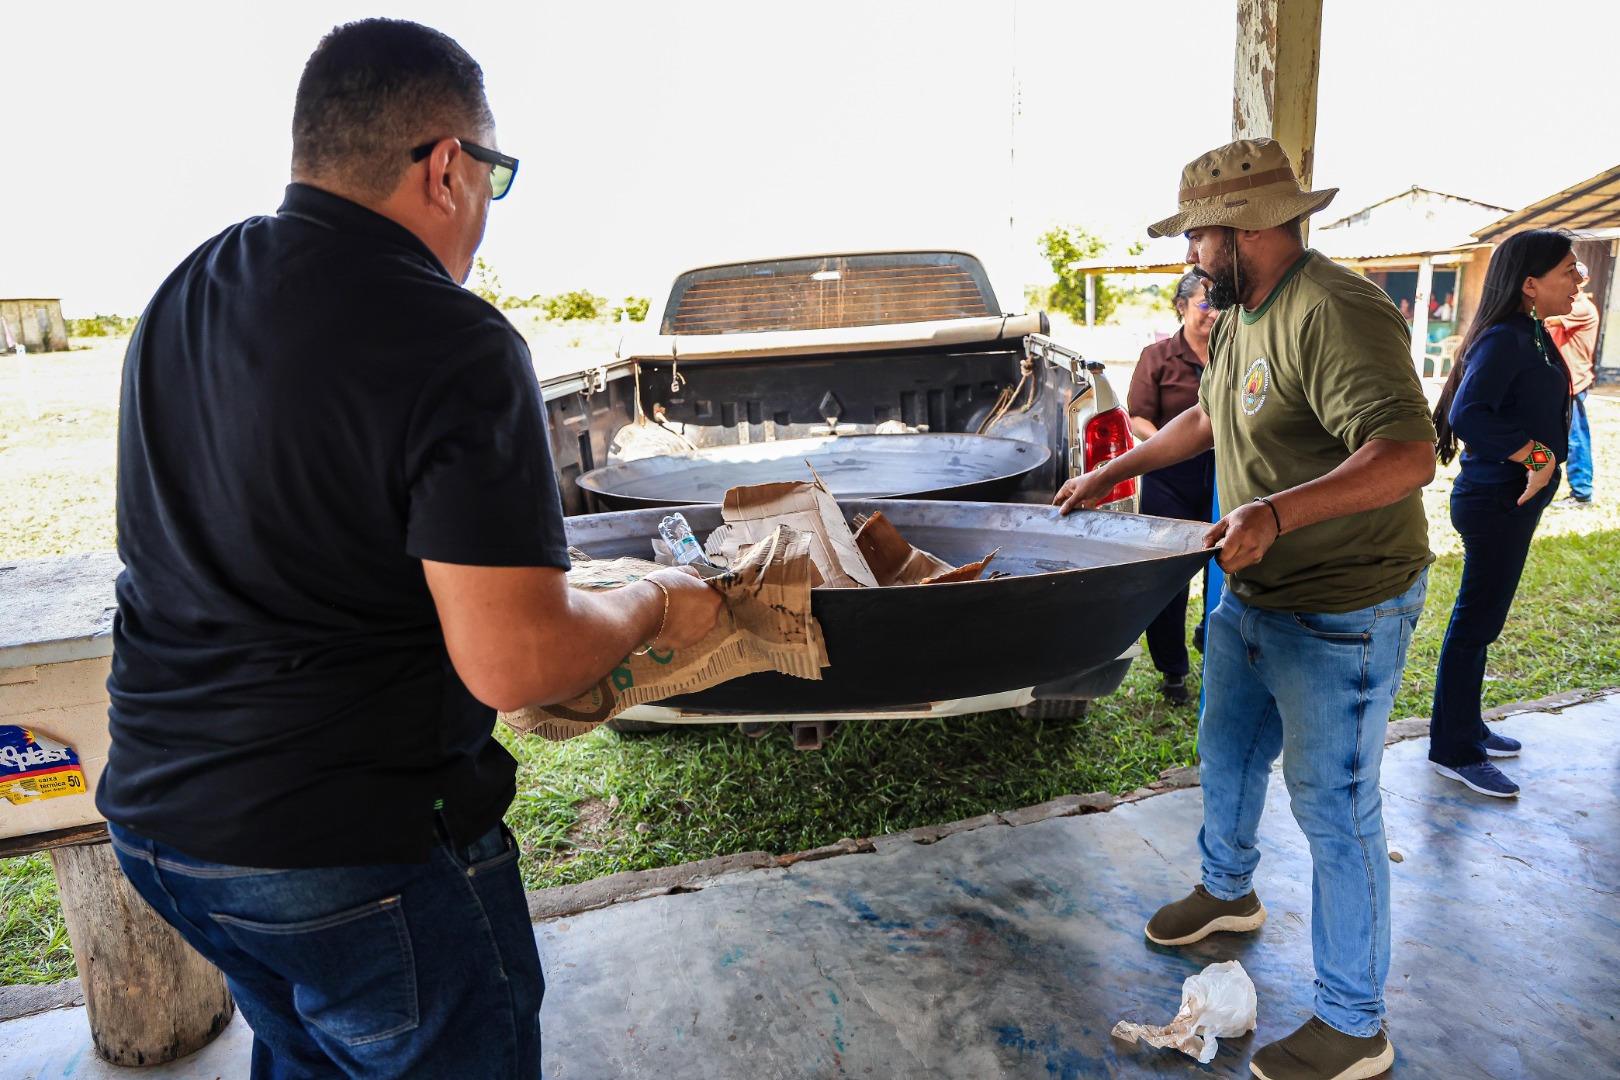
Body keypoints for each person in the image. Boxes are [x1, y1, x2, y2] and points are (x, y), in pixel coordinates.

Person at [96, 20, 721, 1079]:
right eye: (495, 177)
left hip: (163, 823)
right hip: (347, 852)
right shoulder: (453, 340)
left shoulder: (188, 289)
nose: (486, 208)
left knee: (307, 1051)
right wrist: (656, 599)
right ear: (446, 168)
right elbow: (517, 663)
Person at [1056, 137, 1435, 1080]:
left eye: (1198, 234)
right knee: (1225, 751)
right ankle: (1228, 893)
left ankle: (1355, 1024)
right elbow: (1208, 419)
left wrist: (1276, 511)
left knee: (1334, 808)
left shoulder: (1336, 310)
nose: (1190, 251)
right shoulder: (1236, 316)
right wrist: (1111, 472)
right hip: (1254, 594)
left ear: (1246, 227)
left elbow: (1406, 453)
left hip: (1344, 606)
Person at [1428, 231, 1579, 798]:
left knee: (1483, 622)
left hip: (1509, 498)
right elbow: (1469, 414)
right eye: (1569, 270)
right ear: (1530, 284)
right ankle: (1453, 751)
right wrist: (1537, 456)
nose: (1579, 279)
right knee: (1475, 623)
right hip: (1496, 499)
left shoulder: (1529, 332)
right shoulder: (1506, 337)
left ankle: (1467, 727)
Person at [1127, 270, 1217, 704]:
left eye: (1220, 304)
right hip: (1169, 478)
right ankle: (1173, 670)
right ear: (1181, 306)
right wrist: (1171, 444)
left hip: (1223, 475)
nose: (1213, 313)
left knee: (1227, 569)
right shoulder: (1157, 356)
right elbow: (1137, 418)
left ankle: (1211, 637)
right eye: (1205, 303)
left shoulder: (1234, 352)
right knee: (1170, 578)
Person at [1545, 261, 1598, 505]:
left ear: (1585, 281)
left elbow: (1546, 319)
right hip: (1559, 382)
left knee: (1575, 438)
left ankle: (1582, 492)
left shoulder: (1581, 307)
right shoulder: (1566, 302)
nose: (1572, 281)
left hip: (1573, 383)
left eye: (1577, 277)